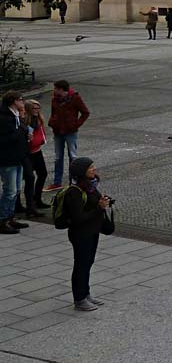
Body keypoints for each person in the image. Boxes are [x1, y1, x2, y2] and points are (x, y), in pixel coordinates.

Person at [62, 157, 110, 309]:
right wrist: (99, 207)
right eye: (91, 167)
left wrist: (102, 201)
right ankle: (79, 298)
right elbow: (78, 218)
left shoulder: (90, 186)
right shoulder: (74, 192)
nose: (94, 169)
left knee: (88, 263)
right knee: (81, 265)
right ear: (82, 172)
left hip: (92, 231)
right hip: (81, 234)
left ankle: (86, 293)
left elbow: (92, 204)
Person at [46, 80, 89, 192]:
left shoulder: (74, 98)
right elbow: (53, 112)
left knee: (72, 157)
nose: (54, 90)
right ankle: (57, 182)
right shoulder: (55, 98)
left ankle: (74, 181)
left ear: (61, 89)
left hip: (70, 131)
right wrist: (52, 121)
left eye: (56, 88)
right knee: (58, 157)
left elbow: (85, 112)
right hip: (58, 131)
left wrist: (76, 124)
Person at [1, 91, 29, 234]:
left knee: (16, 190)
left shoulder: (15, 115)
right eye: (20, 99)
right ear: (13, 101)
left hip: (18, 157)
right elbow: (6, 139)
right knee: (9, 190)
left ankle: (10, 217)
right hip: (8, 159)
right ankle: (2, 219)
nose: (23, 101)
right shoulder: (4, 118)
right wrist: (22, 129)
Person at [19, 100, 48, 219]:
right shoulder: (26, 121)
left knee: (42, 174)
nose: (37, 111)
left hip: (37, 151)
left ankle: (37, 199)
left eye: (38, 108)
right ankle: (24, 204)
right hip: (28, 153)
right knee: (27, 178)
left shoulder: (38, 120)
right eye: (34, 108)